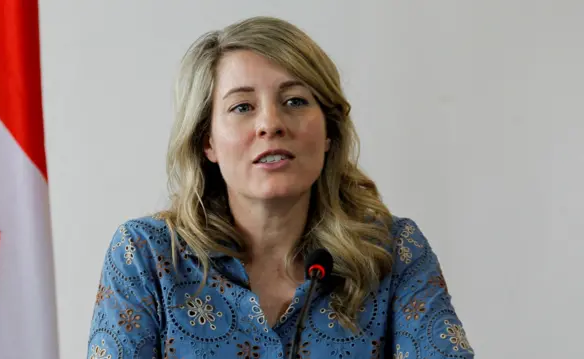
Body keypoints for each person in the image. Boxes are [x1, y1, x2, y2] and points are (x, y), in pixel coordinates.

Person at [87, 16, 474, 359]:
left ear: (328, 133)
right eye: (242, 107)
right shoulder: (146, 256)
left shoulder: (393, 253)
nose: (270, 124)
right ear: (208, 141)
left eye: (294, 101)